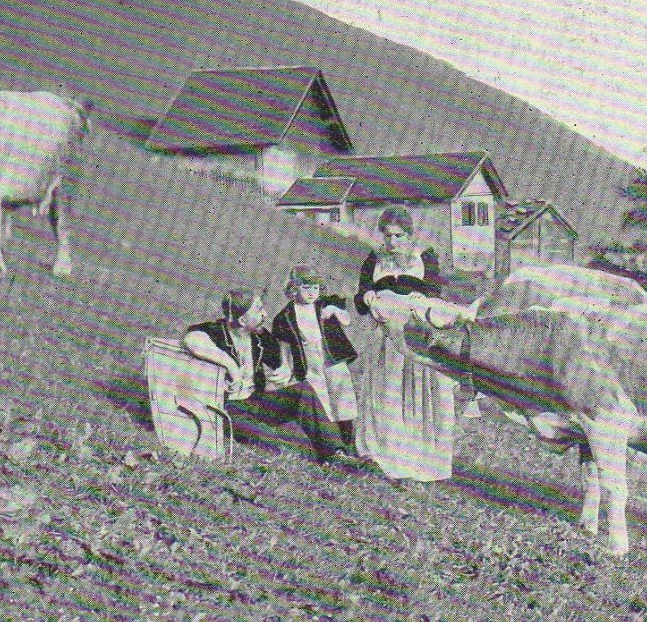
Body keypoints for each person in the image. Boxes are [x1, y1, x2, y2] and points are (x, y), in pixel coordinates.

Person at [181, 287, 347, 462]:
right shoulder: (217, 331)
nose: (265, 314)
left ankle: (336, 454)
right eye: (259, 309)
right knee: (273, 442)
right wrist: (231, 367)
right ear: (243, 320)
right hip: (225, 410)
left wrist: (285, 367)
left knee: (303, 392)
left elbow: (282, 360)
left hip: (254, 402)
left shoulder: (259, 337)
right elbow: (191, 339)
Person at [354, 205, 457, 482]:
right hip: (385, 336)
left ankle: (420, 456)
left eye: (399, 236)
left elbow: (435, 294)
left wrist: (415, 303)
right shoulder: (374, 260)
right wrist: (368, 298)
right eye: (387, 236)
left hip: (414, 336)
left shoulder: (425, 259)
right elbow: (361, 296)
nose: (392, 242)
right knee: (387, 391)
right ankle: (386, 452)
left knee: (418, 393)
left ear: (410, 235)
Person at [270, 264, 359, 454]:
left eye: (315, 288)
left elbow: (346, 320)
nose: (311, 293)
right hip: (309, 362)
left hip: (332, 358)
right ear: (294, 288)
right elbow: (284, 347)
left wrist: (336, 310)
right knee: (320, 399)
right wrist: (285, 368)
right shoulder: (284, 317)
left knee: (342, 397)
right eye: (306, 287)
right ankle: (331, 447)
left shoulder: (325, 305)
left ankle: (348, 443)